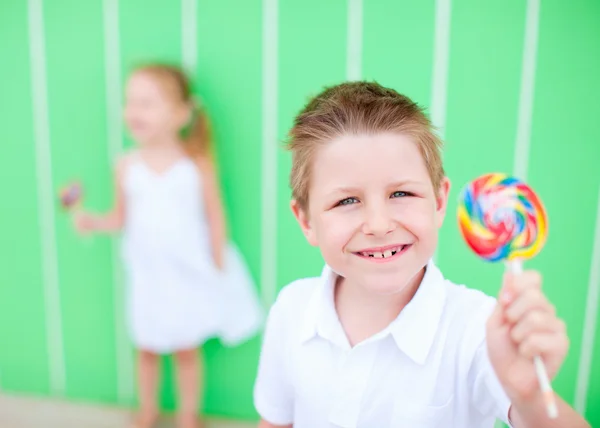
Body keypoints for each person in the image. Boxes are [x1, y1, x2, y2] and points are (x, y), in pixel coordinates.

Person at [253, 81, 590, 427]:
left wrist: (531, 397)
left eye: (401, 193)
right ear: (306, 220)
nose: (379, 225)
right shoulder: (292, 310)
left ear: (440, 201)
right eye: (347, 201)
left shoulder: (481, 331)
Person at [75, 64, 262, 428]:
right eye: (130, 102)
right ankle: (147, 409)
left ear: (180, 114)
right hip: (147, 273)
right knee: (146, 346)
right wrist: (93, 221)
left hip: (185, 272)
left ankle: (187, 415)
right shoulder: (126, 165)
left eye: (146, 103)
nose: (134, 112)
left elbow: (215, 216)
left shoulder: (196, 163)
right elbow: (120, 217)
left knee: (185, 348)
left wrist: (218, 262)